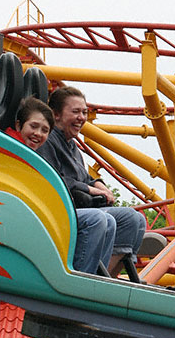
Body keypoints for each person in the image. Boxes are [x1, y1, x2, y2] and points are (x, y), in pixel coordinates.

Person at [37, 87, 146, 276]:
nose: (81, 117)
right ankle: (84, 277)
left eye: (84, 112)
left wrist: (98, 184)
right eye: (75, 112)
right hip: (58, 211)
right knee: (102, 219)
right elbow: (52, 179)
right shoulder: (48, 140)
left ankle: (108, 276)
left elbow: (84, 177)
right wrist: (88, 188)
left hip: (78, 209)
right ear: (56, 115)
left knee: (133, 219)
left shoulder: (73, 147)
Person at [7, 97, 116, 275]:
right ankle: (80, 280)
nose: (38, 134)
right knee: (96, 219)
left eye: (44, 130)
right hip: (24, 218)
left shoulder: (35, 152)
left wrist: (98, 186)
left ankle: (97, 280)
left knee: (109, 220)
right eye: (33, 127)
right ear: (19, 126)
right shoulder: (15, 150)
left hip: (41, 214)